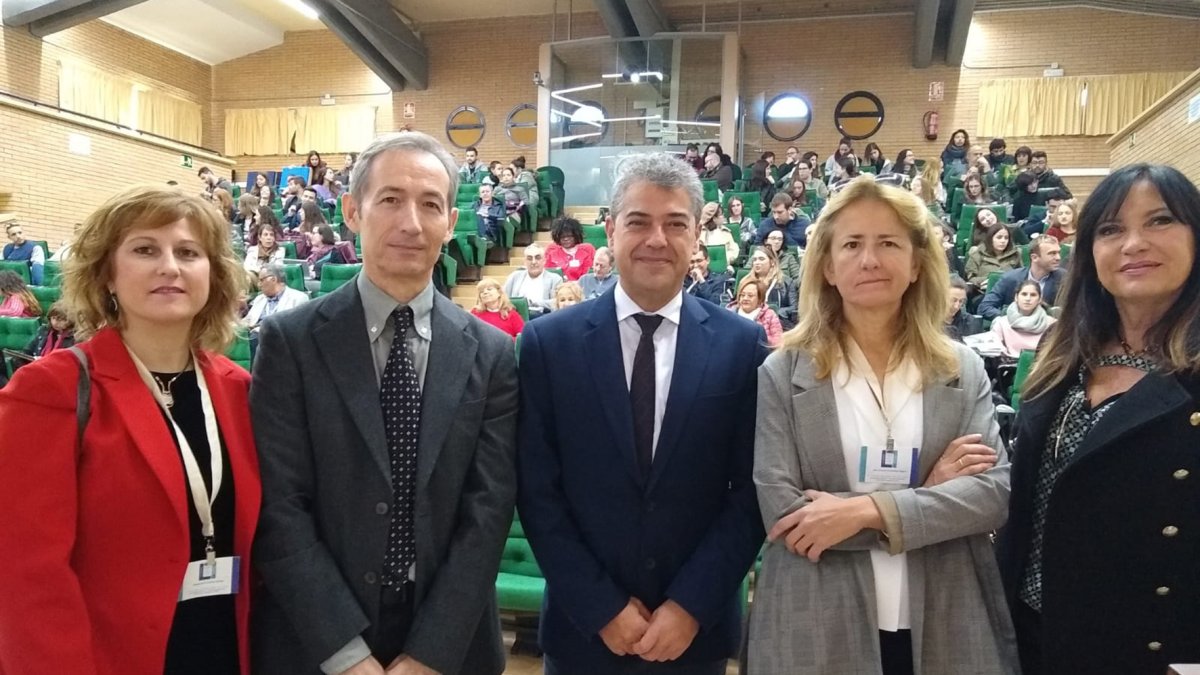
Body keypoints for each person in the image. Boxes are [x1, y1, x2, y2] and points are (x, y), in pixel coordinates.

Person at [251, 130, 518, 675]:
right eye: (391, 199)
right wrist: (346, 655)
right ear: (353, 211)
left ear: (450, 221)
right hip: (317, 639)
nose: (411, 223)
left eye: (431, 205)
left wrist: (429, 655)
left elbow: (488, 511)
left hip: (450, 643)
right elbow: (280, 504)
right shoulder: (289, 341)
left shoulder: (492, 352)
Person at [748, 175, 1017, 675]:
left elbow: (990, 495)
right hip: (818, 618)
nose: (870, 259)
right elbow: (786, 516)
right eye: (852, 244)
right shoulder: (782, 372)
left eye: (889, 243)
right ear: (828, 267)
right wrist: (928, 498)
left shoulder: (961, 369)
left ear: (916, 263)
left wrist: (865, 511)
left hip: (945, 612)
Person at [517, 152, 766, 675]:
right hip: (584, 634)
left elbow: (750, 494)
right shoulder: (549, 344)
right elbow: (538, 492)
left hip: (693, 637)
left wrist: (690, 606)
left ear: (696, 235)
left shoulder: (741, 346)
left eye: (675, 224)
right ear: (610, 231)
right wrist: (600, 607)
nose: (657, 239)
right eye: (638, 222)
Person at [0, 185, 260, 674]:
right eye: (145, 250)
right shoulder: (51, 390)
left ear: (213, 274)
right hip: (110, 659)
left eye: (189, 252)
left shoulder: (238, 391)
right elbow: (24, 575)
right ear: (107, 275)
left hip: (228, 649)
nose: (170, 267)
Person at [996, 164, 1200, 675]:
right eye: (1111, 229)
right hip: (1029, 633)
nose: (1133, 243)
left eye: (1159, 221)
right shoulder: (1062, 348)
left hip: (1149, 646)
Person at [979, 235, 1065, 319]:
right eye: (1052, 253)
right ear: (1034, 257)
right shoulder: (1011, 279)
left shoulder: (1064, 279)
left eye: (1058, 253)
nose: (1058, 257)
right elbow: (985, 307)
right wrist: (1011, 317)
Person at [989, 280, 1055, 357]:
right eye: (1024, 294)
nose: (1028, 298)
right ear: (1016, 297)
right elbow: (995, 351)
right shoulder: (1001, 323)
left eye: (1033, 295)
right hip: (1007, 363)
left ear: (1040, 299)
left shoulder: (1052, 324)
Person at [244, 262, 308, 331]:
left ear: (273, 279)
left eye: (261, 280)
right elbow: (247, 321)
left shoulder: (298, 298)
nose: (259, 285)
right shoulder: (259, 298)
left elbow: (297, 328)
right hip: (254, 333)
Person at [746, 245, 797, 330]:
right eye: (755, 259)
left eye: (761, 259)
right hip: (751, 322)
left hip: (779, 323)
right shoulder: (746, 281)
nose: (757, 262)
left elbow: (794, 307)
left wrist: (777, 311)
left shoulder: (786, 282)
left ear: (772, 262)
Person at [503, 243, 561, 318]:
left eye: (538, 258)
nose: (533, 262)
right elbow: (503, 297)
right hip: (517, 316)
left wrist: (533, 303)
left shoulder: (555, 279)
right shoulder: (514, 276)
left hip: (543, 317)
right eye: (529, 258)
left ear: (544, 260)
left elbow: (557, 302)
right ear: (525, 262)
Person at [966, 222, 1022, 293]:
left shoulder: (1015, 254)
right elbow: (970, 278)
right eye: (999, 237)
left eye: (1006, 238)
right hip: (983, 292)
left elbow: (1021, 276)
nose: (1003, 241)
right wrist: (989, 280)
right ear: (990, 238)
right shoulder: (977, 253)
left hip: (1009, 291)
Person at [727, 275, 782, 347]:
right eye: (742, 295)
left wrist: (757, 337)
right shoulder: (729, 313)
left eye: (750, 296)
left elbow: (778, 342)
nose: (745, 298)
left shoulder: (770, 315)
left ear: (760, 299)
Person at [544, 216, 596, 282]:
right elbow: (547, 274)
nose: (566, 239)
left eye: (569, 236)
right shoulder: (551, 250)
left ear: (576, 235)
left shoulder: (587, 250)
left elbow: (589, 275)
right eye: (562, 237)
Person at [944, 275, 982, 342]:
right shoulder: (928, 322)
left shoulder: (970, 323)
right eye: (953, 300)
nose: (956, 306)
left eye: (961, 301)